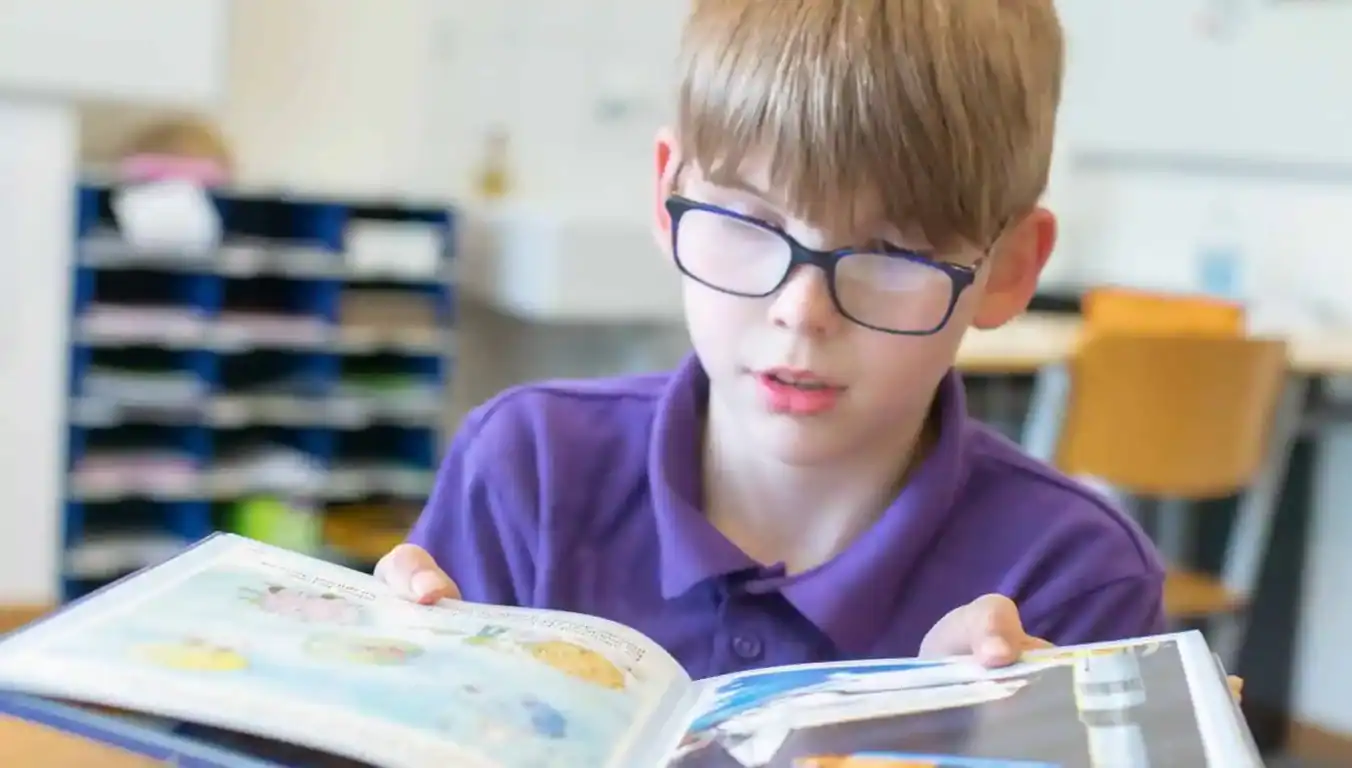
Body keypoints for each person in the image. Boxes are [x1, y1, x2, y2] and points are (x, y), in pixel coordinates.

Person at [376, 0, 1233, 695]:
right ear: (667, 194)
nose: (803, 310)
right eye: (749, 222)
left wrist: (961, 740)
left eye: (895, 253)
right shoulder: (528, 471)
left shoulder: (1072, 578)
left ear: (1009, 271)